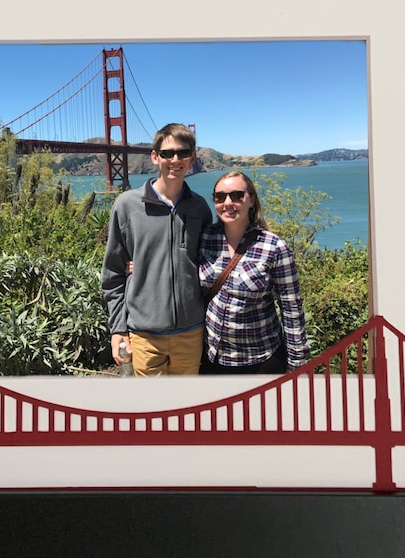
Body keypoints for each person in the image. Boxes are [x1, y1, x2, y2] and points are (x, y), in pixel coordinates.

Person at [101, 123, 212, 376]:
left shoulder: (200, 208)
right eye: (167, 154)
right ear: (154, 157)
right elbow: (113, 273)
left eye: (183, 153)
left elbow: (210, 263)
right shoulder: (127, 205)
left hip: (191, 332)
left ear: (193, 158)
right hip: (144, 335)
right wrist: (118, 328)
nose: (176, 160)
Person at [199, 170, 309, 374]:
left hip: (260, 360)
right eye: (220, 197)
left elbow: (291, 308)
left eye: (237, 195)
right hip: (212, 359)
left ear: (252, 200)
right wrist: (136, 263)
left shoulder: (274, 247)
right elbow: (174, 261)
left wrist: (297, 363)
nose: (228, 202)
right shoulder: (205, 238)